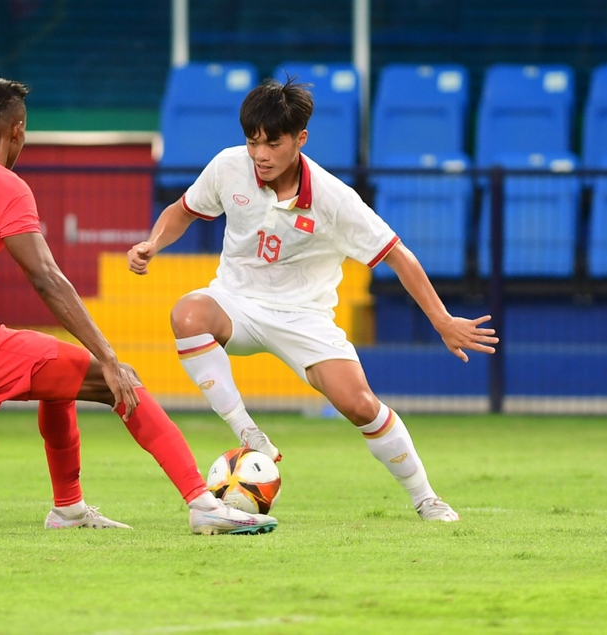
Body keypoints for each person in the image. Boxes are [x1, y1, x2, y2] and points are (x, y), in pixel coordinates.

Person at [0, 77, 276, 536]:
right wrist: (109, 358)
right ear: (17, 131)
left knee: (58, 380)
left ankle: (68, 510)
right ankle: (202, 502)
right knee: (119, 382)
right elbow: (47, 278)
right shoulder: (4, 185)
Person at [128, 77, 499, 522]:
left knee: (360, 405)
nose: (260, 155)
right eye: (252, 142)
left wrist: (441, 320)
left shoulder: (333, 198)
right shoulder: (229, 166)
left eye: (272, 143)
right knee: (187, 314)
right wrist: (153, 243)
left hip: (304, 317)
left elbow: (398, 256)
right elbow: (182, 210)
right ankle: (248, 432)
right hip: (236, 301)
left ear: (300, 139)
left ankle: (426, 498)